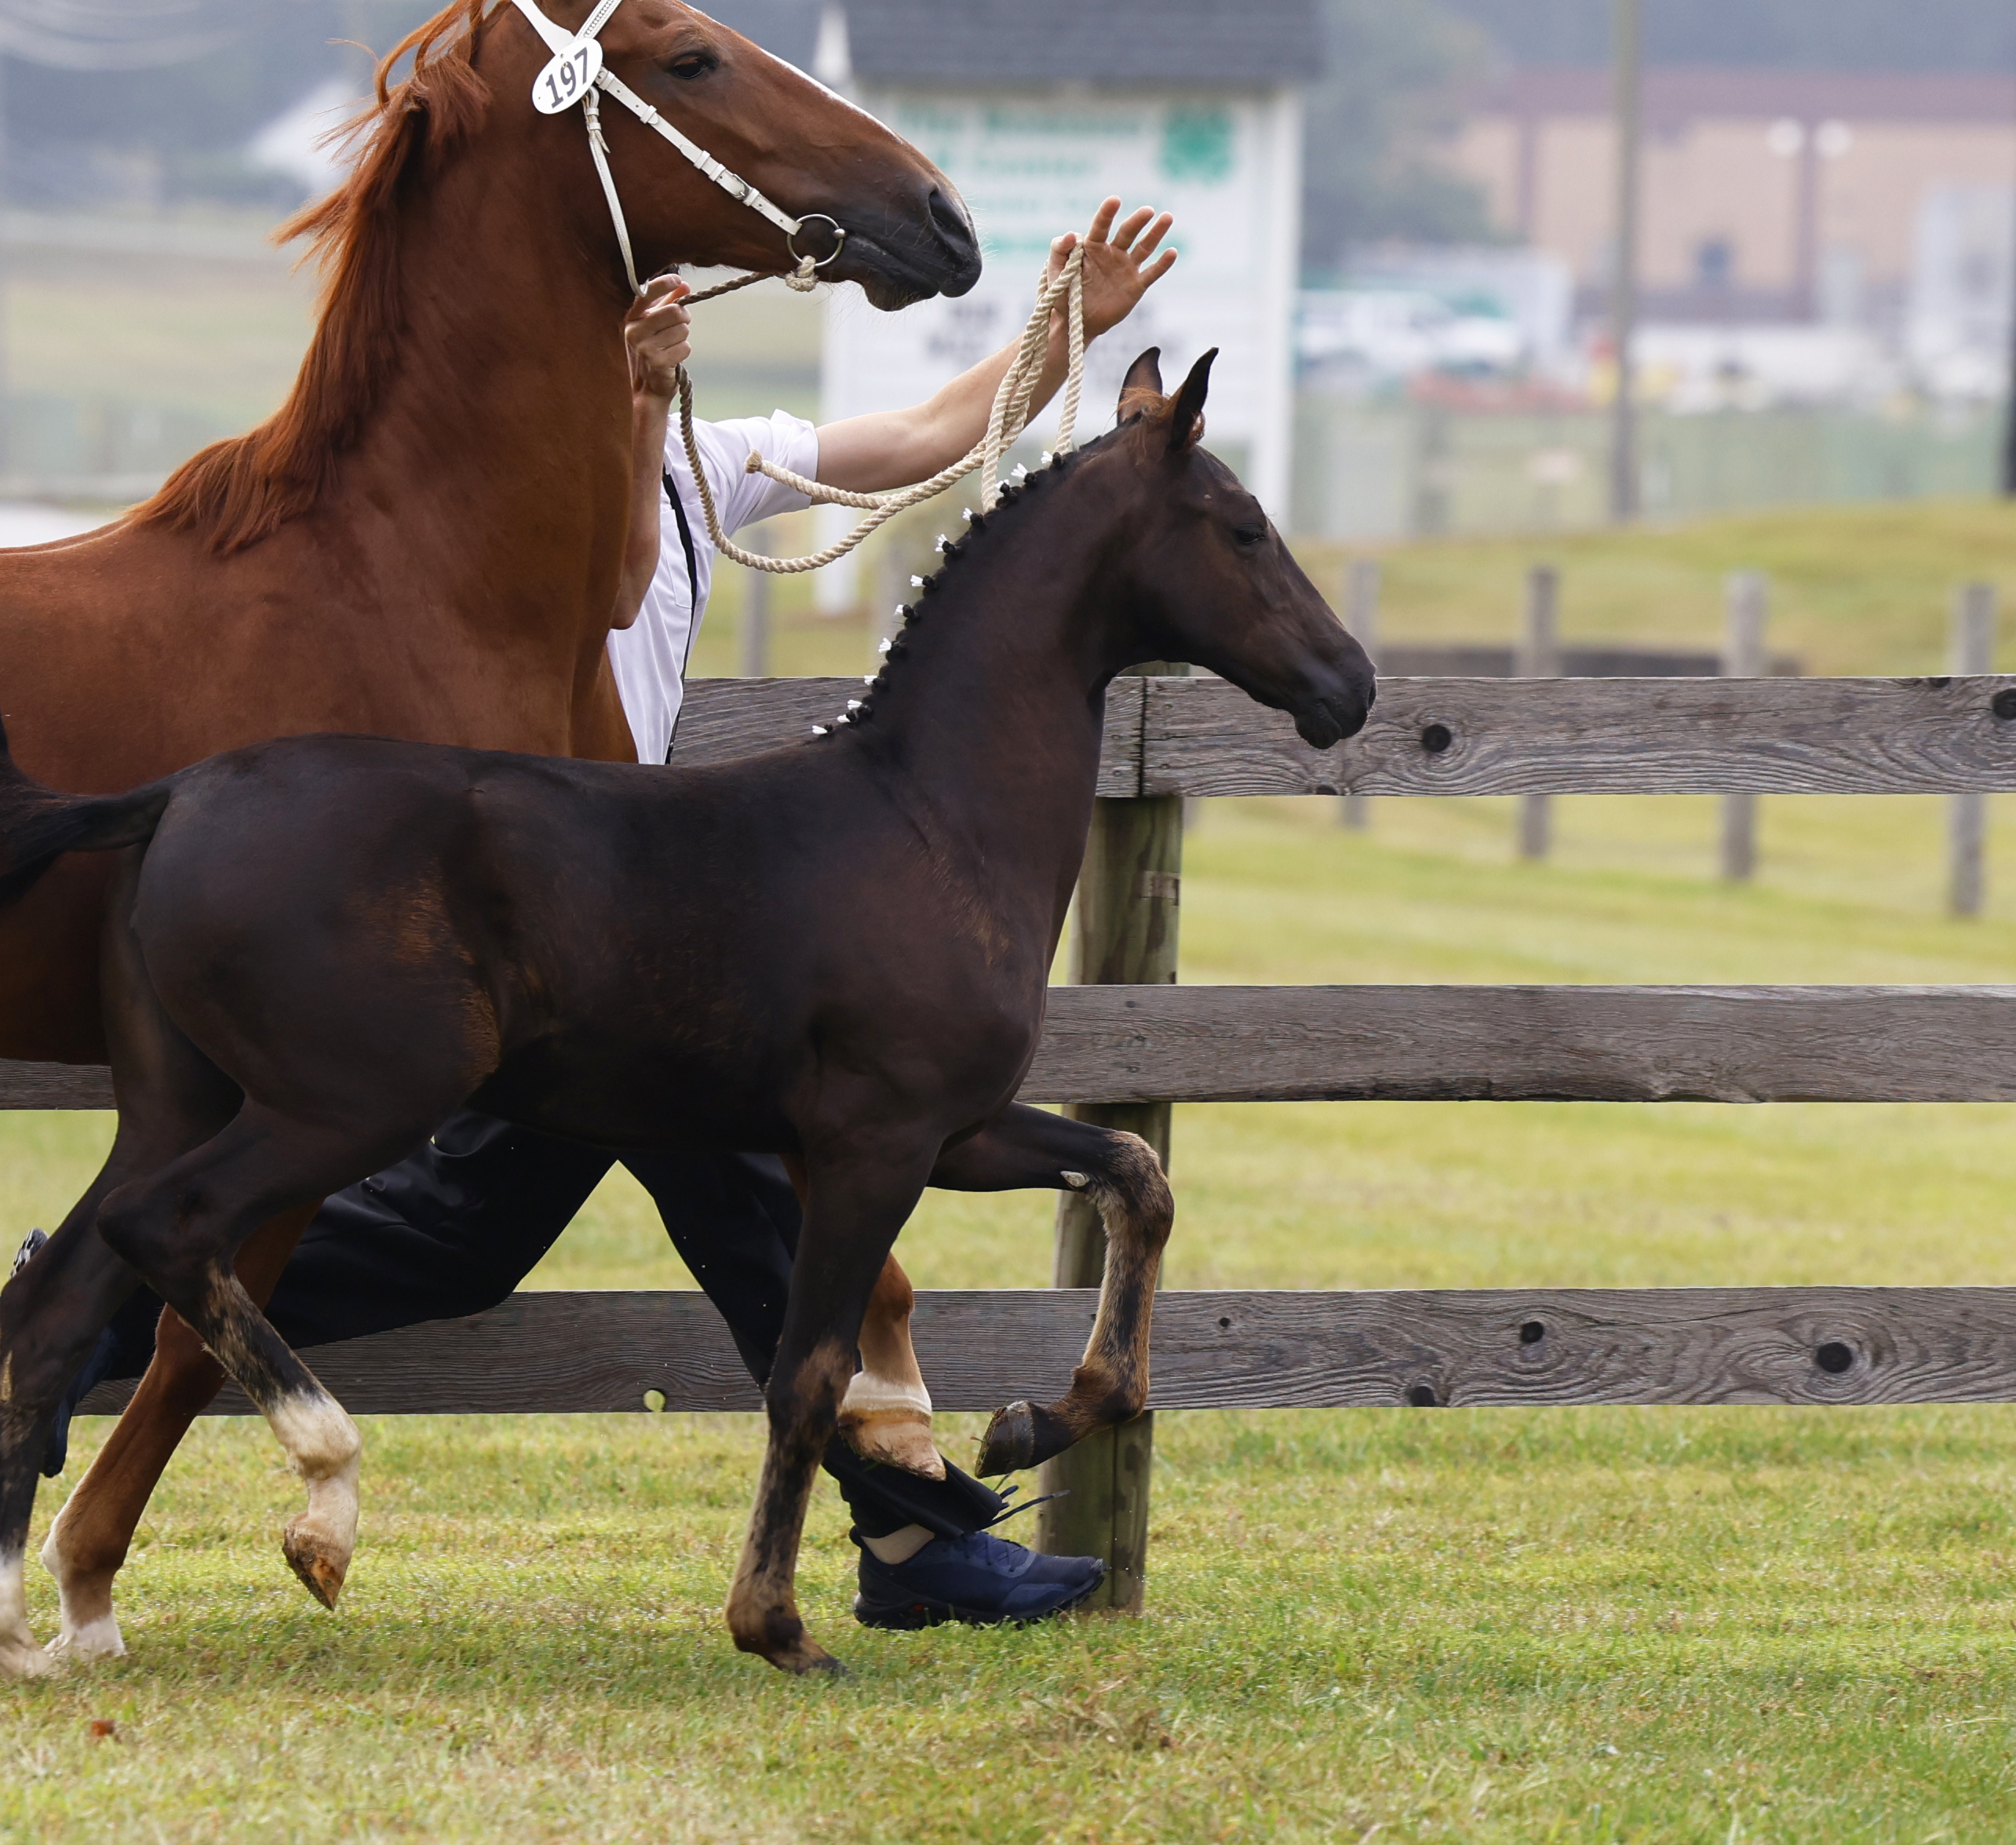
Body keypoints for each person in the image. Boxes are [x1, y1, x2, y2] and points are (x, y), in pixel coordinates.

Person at [60, 199, 1181, 1630]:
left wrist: (1061, 329)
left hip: (651, 930)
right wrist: (637, 409)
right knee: (640, 1228)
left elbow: (925, 436)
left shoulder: (713, 462)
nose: (646, 330)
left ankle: (912, 1546)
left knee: (582, 1231)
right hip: (529, 925)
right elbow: (612, 587)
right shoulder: (509, 489)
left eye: (648, 318)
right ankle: (915, 1548)